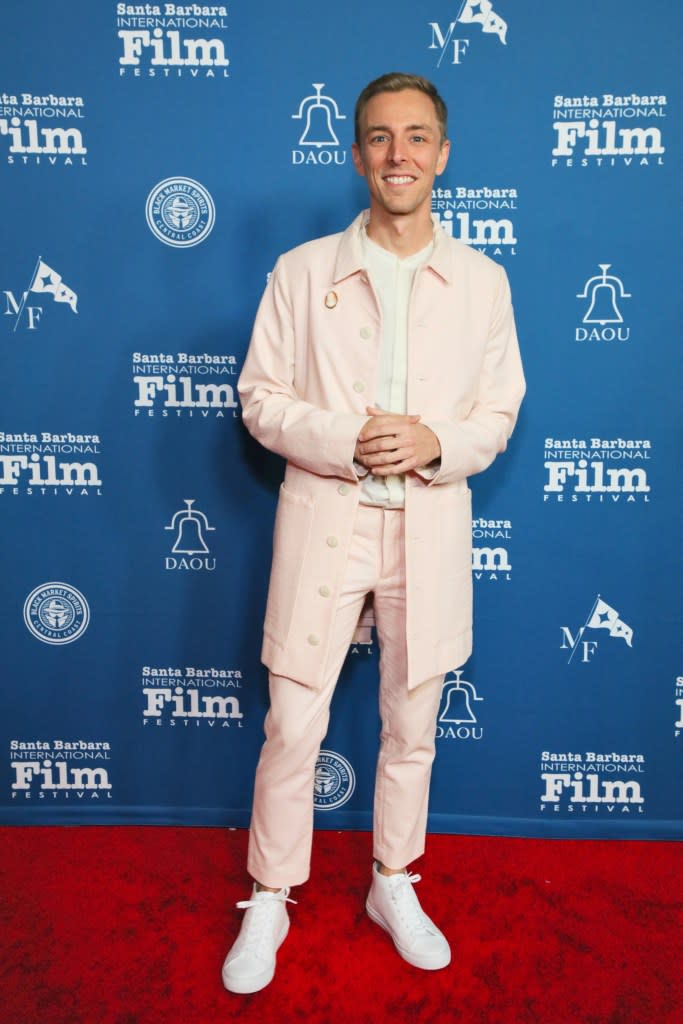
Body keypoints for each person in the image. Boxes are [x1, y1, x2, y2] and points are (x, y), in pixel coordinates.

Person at [222, 71, 525, 994]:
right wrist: (343, 439)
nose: (400, 155)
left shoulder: (482, 280)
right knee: (292, 722)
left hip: (426, 524)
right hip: (328, 518)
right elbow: (260, 400)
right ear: (356, 155)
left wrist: (435, 441)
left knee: (412, 723)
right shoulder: (302, 270)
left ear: (443, 153)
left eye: (417, 137)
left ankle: (393, 881)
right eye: (381, 138)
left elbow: (500, 410)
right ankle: (271, 892)